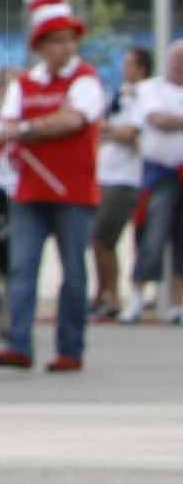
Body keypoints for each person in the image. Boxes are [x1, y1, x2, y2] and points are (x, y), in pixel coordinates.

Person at [0, 0, 103, 372]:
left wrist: (25, 129)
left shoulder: (86, 79)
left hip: (74, 192)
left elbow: (72, 121)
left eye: (69, 40)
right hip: (30, 191)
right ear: (41, 46)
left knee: (73, 272)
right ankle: (18, 343)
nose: (65, 48)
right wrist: (22, 129)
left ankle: (70, 349)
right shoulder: (24, 84)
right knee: (22, 269)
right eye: (55, 41)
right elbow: (6, 124)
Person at [91, 44, 148, 322]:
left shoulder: (144, 96)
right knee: (99, 240)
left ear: (141, 68)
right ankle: (103, 293)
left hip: (124, 179)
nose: (124, 68)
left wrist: (107, 129)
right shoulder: (120, 95)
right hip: (104, 174)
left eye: (129, 63)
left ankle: (112, 295)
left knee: (104, 239)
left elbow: (130, 133)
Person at [132, 39, 183, 318]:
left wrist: (172, 119)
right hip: (160, 174)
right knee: (152, 234)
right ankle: (138, 297)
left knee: (181, 240)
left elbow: (167, 120)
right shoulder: (151, 89)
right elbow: (156, 120)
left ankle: (177, 304)